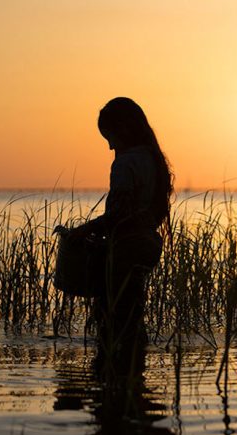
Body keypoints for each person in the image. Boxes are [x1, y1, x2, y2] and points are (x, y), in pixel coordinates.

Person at [61, 97, 173, 405]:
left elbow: (120, 213)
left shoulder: (125, 162)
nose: (110, 147)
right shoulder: (153, 159)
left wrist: (84, 231)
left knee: (112, 321)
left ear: (122, 130)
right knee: (131, 317)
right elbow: (150, 211)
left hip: (126, 249)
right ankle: (133, 384)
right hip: (148, 245)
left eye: (109, 137)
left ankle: (115, 392)